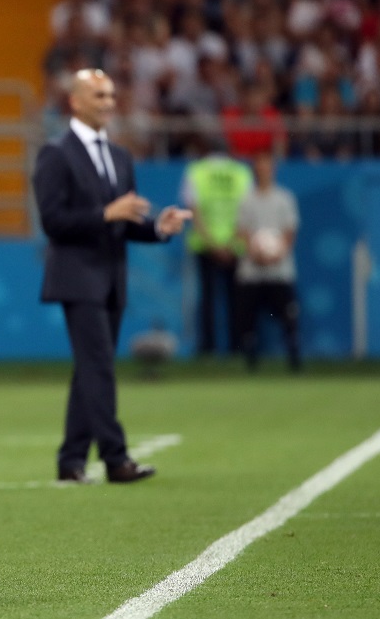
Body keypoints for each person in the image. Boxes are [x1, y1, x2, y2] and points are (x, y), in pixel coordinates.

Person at [31, 68, 191, 485]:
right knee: (99, 365)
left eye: (111, 96)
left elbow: (125, 221)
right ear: (75, 102)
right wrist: (106, 213)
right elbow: (53, 221)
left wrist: (158, 227)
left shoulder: (120, 156)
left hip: (112, 277)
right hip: (77, 277)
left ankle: (71, 460)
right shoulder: (56, 153)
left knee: (90, 367)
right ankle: (116, 458)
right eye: (99, 96)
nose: (108, 103)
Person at [180, 141, 253, 355]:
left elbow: (193, 212)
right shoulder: (241, 172)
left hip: (205, 246)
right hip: (234, 246)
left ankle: (207, 348)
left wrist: (213, 244)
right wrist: (229, 244)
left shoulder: (196, 171)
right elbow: (246, 212)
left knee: (207, 300)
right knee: (236, 299)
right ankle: (237, 348)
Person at [235, 151, 301, 372]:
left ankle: (294, 361)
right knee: (247, 319)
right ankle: (250, 362)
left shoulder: (284, 198)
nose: (264, 170)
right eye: (260, 166)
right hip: (252, 271)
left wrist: (276, 254)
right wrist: (256, 253)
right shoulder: (246, 199)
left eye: (267, 166)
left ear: (273, 169)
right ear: (255, 170)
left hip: (280, 271)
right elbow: (241, 231)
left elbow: (290, 231)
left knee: (288, 316)